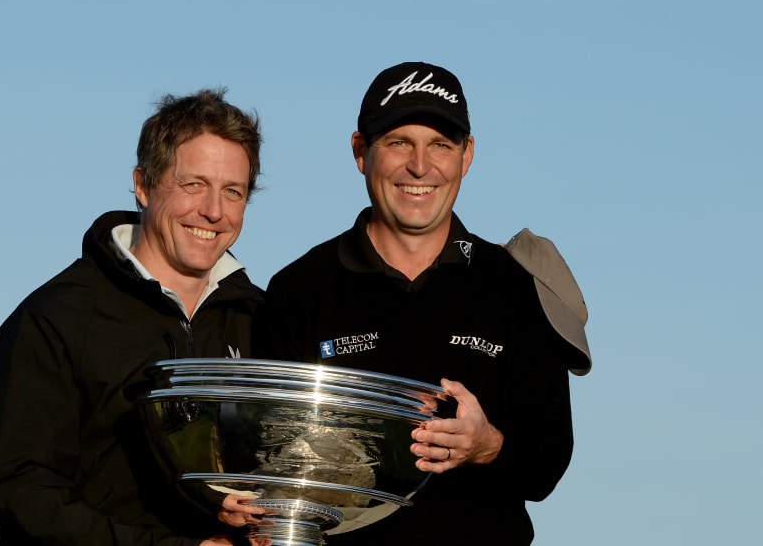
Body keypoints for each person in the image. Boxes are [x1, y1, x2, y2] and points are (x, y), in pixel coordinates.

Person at [252, 62, 592, 545]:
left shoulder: (515, 287)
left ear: (466, 155)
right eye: (398, 143)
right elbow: (266, 461)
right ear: (359, 152)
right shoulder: (298, 289)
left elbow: (548, 463)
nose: (420, 166)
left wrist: (487, 446)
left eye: (440, 145)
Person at [0, 88, 268, 546]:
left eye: (232, 191)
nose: (213, 211)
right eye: (193, 185)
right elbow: (23, 496)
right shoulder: (54, 319)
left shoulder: (261, 317)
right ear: (143, 184)